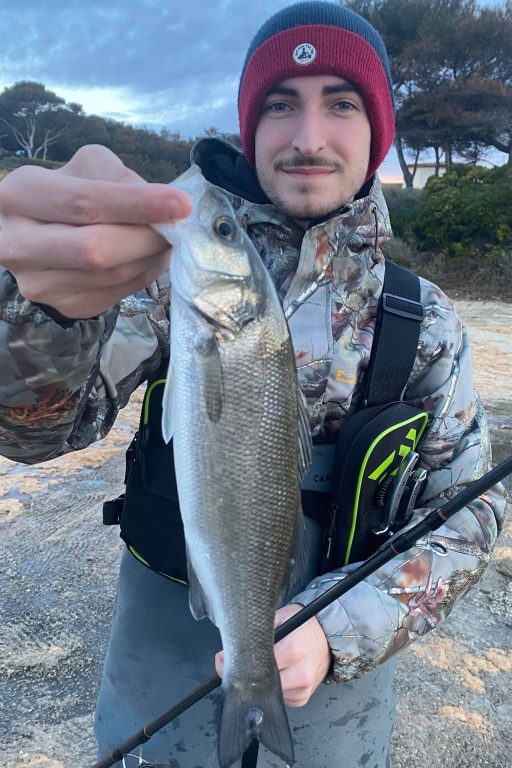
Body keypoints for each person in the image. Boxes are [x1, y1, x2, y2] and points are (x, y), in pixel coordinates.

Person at [0, 2, 507, 767]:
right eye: (280, 104)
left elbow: (473, 513)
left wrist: (342, 628)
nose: (308, 137)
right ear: (249, 127)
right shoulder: (160, 287)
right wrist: (38, 316)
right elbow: (35, 436)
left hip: (337, 714)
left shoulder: (428, 320)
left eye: (341, 103)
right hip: (158, 691)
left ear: (379, 133)